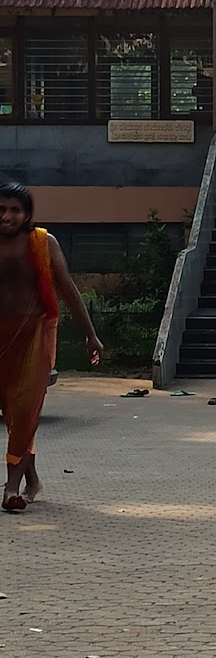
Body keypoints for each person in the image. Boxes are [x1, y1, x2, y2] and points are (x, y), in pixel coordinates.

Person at [0, 181, 103, 513]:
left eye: (14, 210)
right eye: (1, 209)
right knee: (13, 414)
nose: (6, 216)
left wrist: (90, 335)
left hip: (34, 338)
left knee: (25, 411)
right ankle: (32, 480)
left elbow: (68, 289)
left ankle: (11, 489)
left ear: (28, 214)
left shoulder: (43, 243)